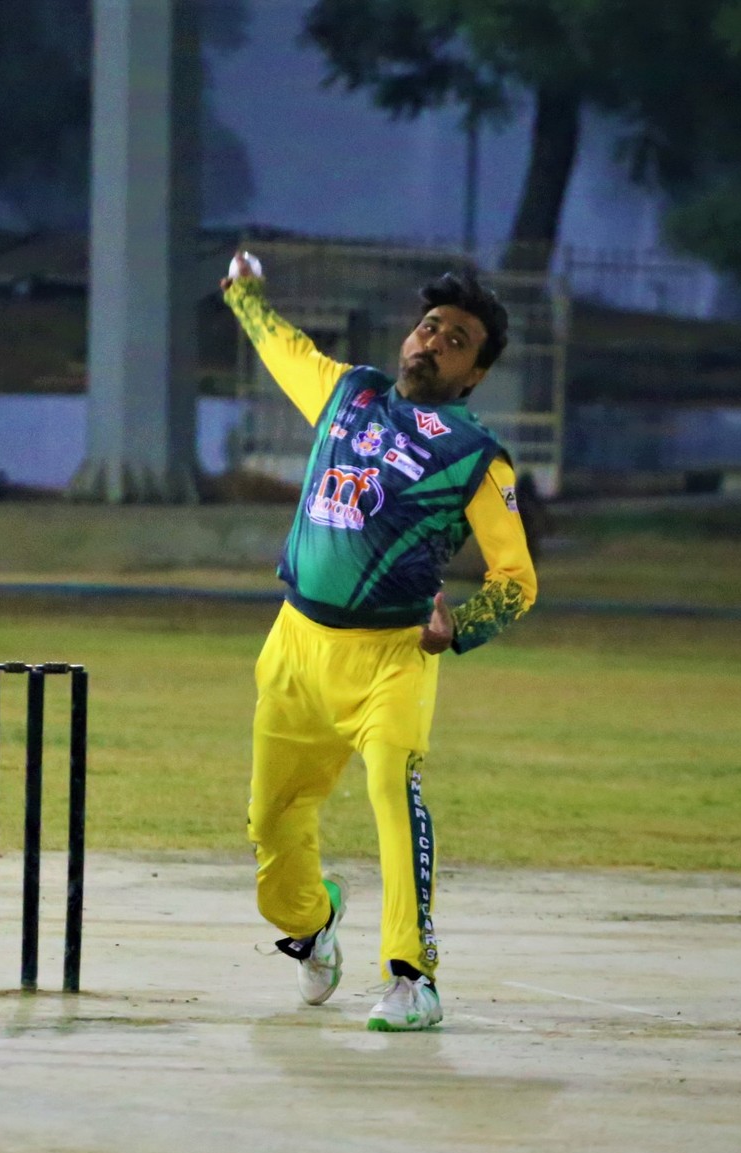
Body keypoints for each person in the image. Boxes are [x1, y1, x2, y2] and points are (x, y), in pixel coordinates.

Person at [222, 251, 537, 1032]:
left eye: (456, 341)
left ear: (474, 375)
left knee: (393, 795)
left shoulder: (473, 454)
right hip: (295, 648)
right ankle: (311, 923)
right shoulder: (348, 394)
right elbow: (282, 347)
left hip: (392, 658)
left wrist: (461, 626)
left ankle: (410, 978)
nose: (433, 342)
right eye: (428, 327)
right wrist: (245, 296)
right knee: (270, 826)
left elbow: (516, 578)